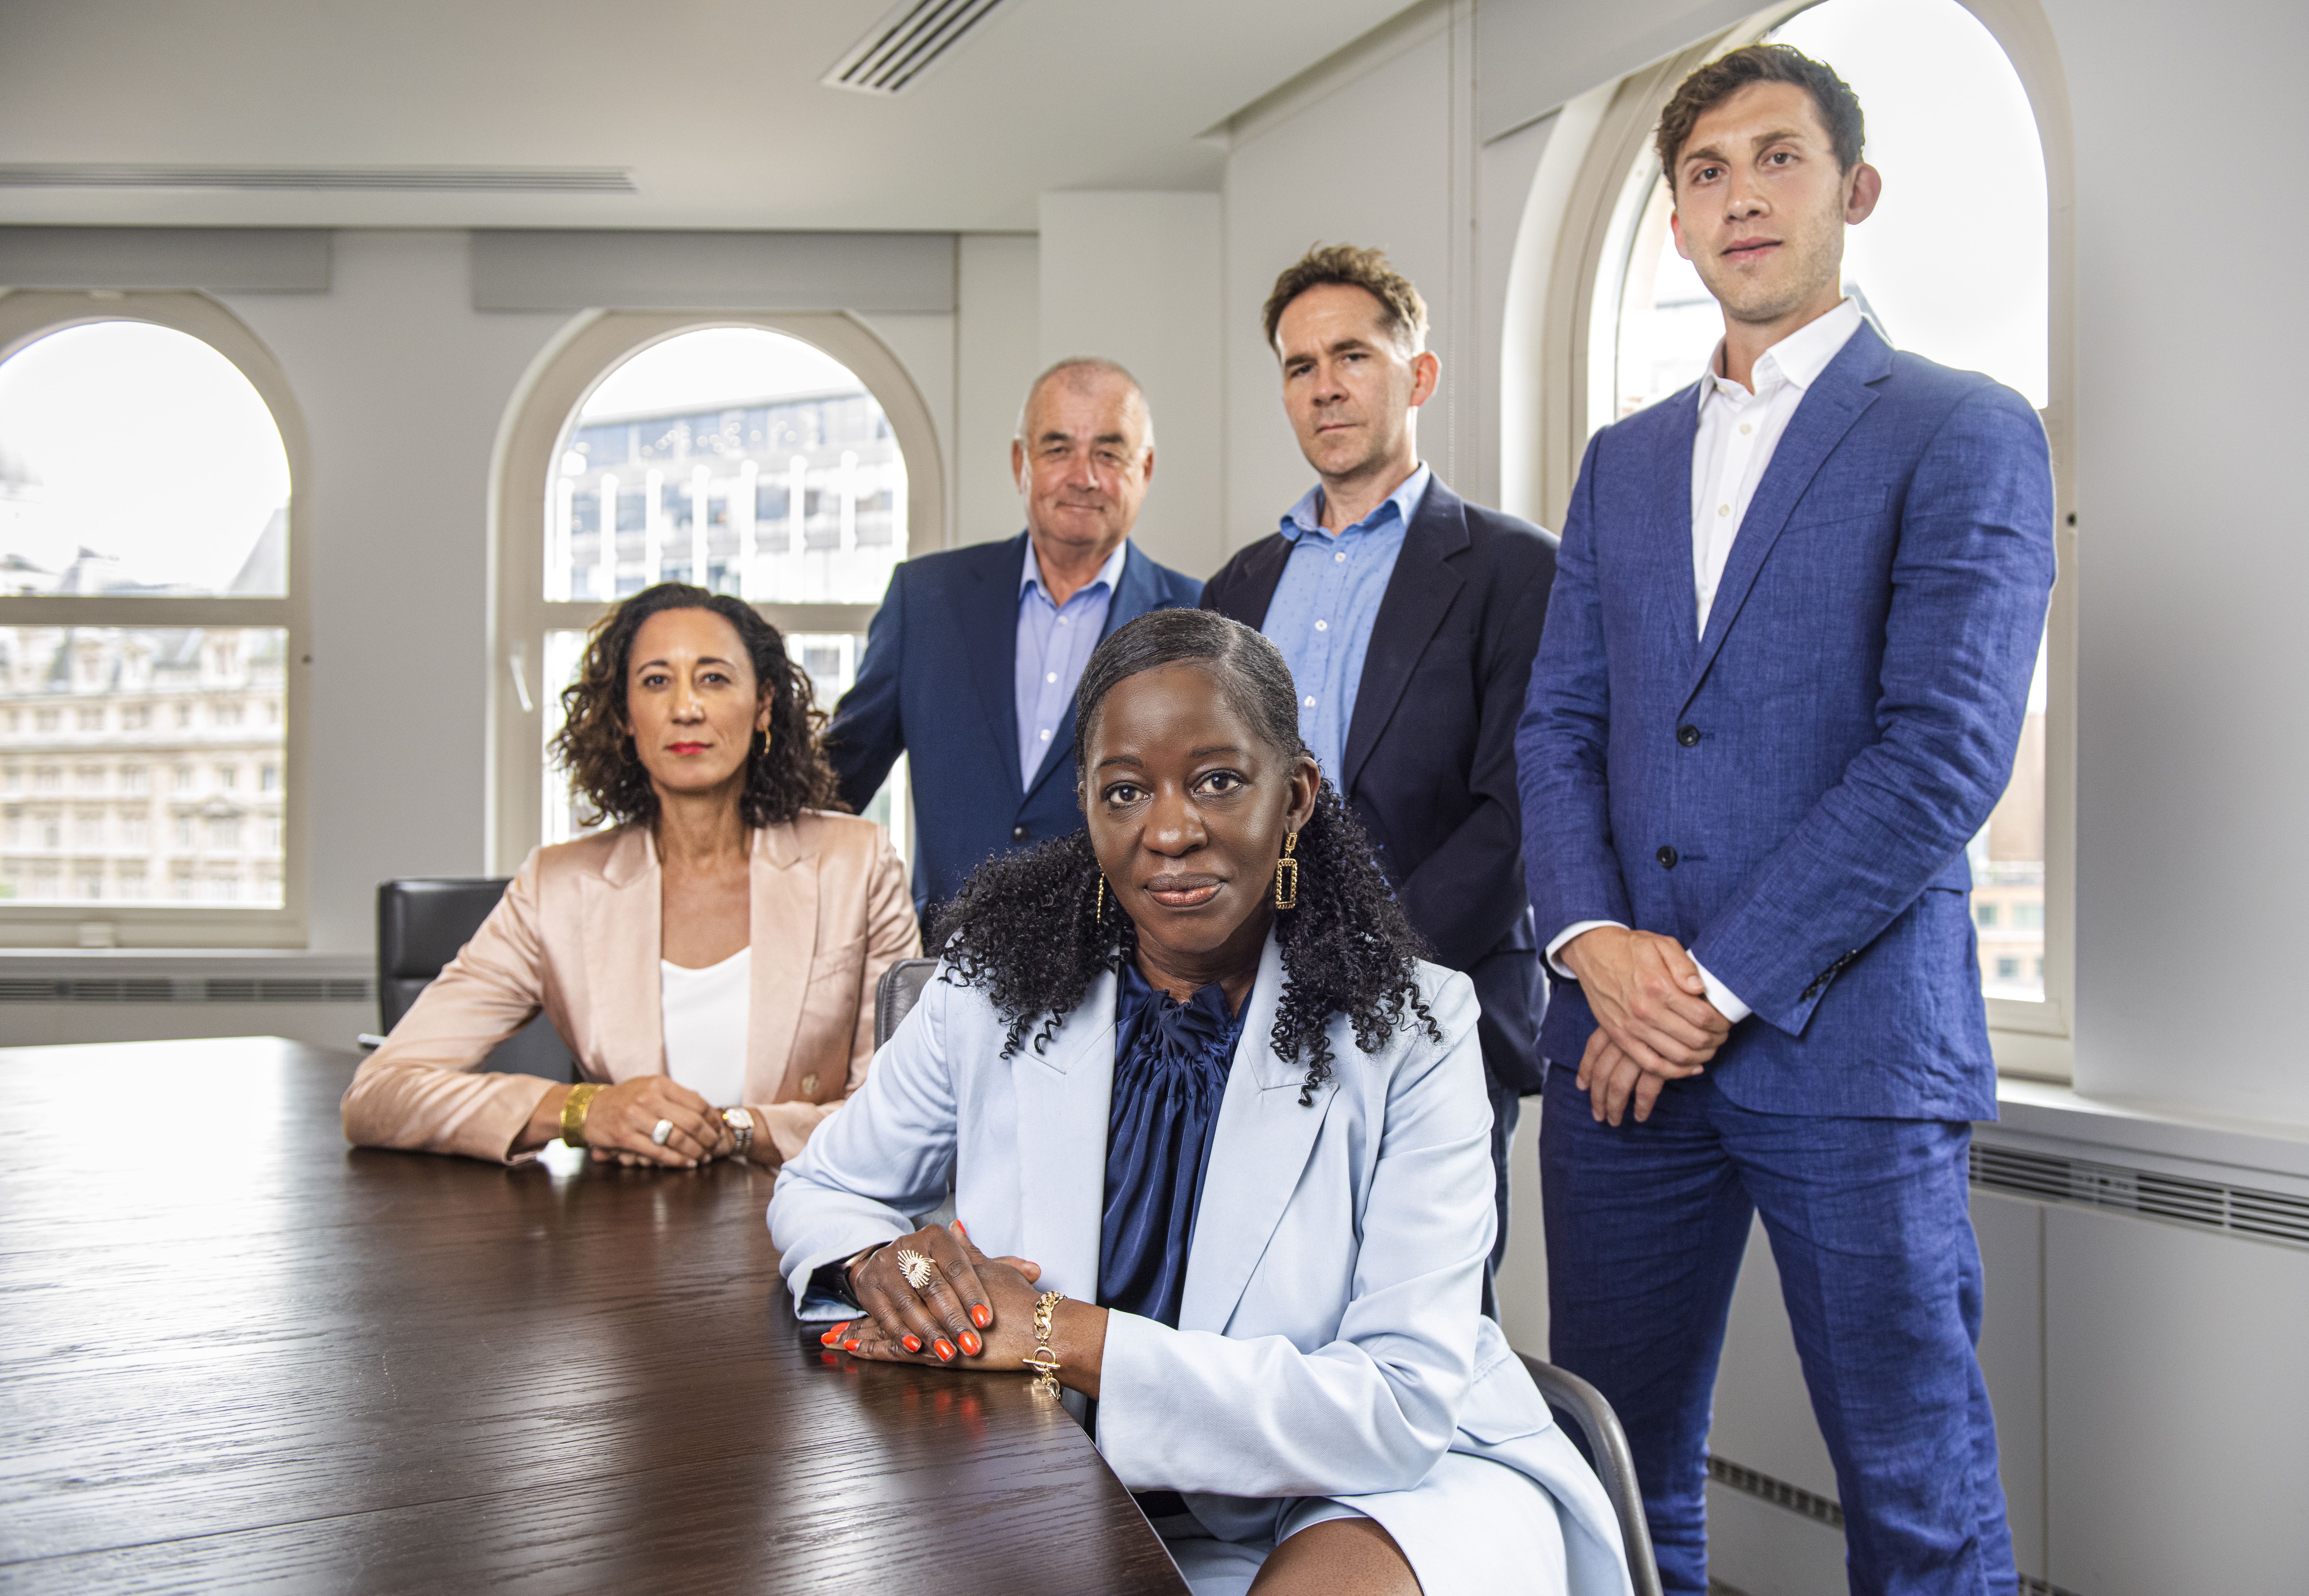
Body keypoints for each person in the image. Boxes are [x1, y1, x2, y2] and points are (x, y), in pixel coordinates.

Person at [769, 609, 1630, 1596]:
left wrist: (1056, 1332)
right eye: (1125, 791)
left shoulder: (1416, 1029)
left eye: (1218, 781)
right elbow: (824, 1188)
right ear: (1086, 806)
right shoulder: (988, 987)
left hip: (1374, 1480)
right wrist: (883, 1264)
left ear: (1295, 796)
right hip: (1054, 1478)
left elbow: (1392, 1408)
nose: (1170, 831)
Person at [1517, 45, 2054, 1596]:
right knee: (1613, 1483)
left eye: (1777, 158)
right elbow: (1557, 726)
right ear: (1679, 222)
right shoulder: (1621, 463)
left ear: (1853, 190)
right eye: (1704, 172)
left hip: (1853, 1050)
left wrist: (1700, 986)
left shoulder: (1959, 427)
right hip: (1614, 1059)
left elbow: (1940, 754)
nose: (1738, 195)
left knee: (1916, 1493)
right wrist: (1592, 942)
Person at [1204, 245, 1556, 1273]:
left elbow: (1520, 811)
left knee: (1428, 1324)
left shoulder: (1516, 570)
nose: (1326, 387)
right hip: (1249, 1019)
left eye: (1352, 355)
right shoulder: (1237, 587)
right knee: (1254, 1311)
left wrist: (1362, 967)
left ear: (1420, 374)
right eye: (1300, 365)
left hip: (1436, 1010)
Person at [343, 583, 919, 1170]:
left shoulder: (858, 862)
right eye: (656, 681)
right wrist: (582, 1110)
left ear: (764, 705)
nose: (686, 708)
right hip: (628, 1218)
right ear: (624, 715)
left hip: (810, 1211)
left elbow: (904, 1114)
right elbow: (379, 1093)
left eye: (714, 678)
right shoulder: (556, 888)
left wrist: (738, 1131)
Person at [822, 357, 1202, 922]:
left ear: (1144, 470)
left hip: (1124, 961)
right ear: (1021, 462)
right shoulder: (925, 599)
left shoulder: (1198, 618)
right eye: (1058, 449)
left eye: (1109, 453)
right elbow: (838, 781)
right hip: (949, 954)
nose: (1083, 477)